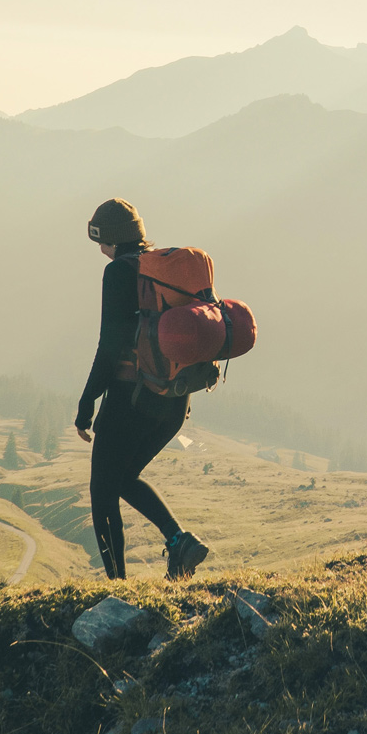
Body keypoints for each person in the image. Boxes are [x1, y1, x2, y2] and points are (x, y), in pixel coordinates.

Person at [75, 197, 210, 580]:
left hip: (130, 400)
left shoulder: (118, 273)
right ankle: (179, 542)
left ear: (111, 239)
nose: (98, 249)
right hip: (174, 399)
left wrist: (87, 404)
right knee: (124, 478)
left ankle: (117, 586)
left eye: (98, 239)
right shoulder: (163, 272)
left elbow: (110, 345)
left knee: (103, 494)